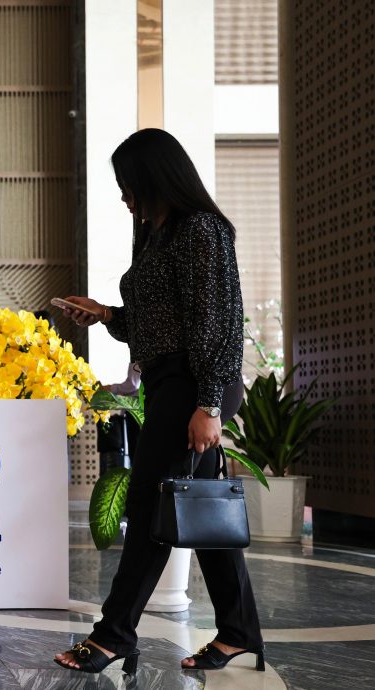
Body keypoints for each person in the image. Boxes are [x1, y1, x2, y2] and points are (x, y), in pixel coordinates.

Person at [52, 128, 264, 675]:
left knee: (149, 508)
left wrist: (209, 405)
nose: (124, 195)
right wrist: (104, 315)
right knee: (198, 506)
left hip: (196, 384)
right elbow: (154, 326)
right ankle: (238, 632)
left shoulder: (201, 230)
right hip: (171, 383)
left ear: (154, 178)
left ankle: (113, 634)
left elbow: (216, 325)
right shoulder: (156, 234)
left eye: (128, 184)